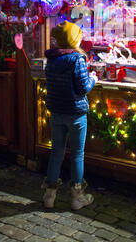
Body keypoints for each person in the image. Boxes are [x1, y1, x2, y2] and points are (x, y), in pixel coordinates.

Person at [41, 21, 98, 210]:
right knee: (77, 155)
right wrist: (93, 79)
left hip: (56, 112)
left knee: (56, 152)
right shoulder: (77, 60)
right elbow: (83, 87)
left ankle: (49, 196)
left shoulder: (51, 60)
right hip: (76, 114)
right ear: (73, 41)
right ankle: (76, 198)